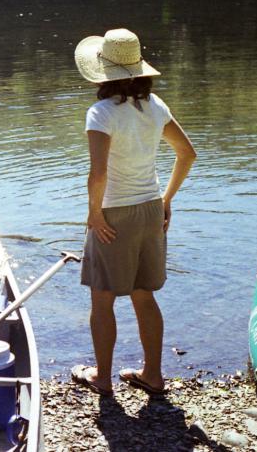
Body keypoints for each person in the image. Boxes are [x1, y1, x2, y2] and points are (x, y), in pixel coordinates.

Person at [70, 29, 196, 397]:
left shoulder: (101, 113)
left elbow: (98, 173)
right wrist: (167, 200)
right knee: (144, 295)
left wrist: (94, 214)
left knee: (102, 297)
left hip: (115, 214)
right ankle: (153, 375)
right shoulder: (156, 106)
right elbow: (187, 153)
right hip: (150, 209)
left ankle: (103, 378)